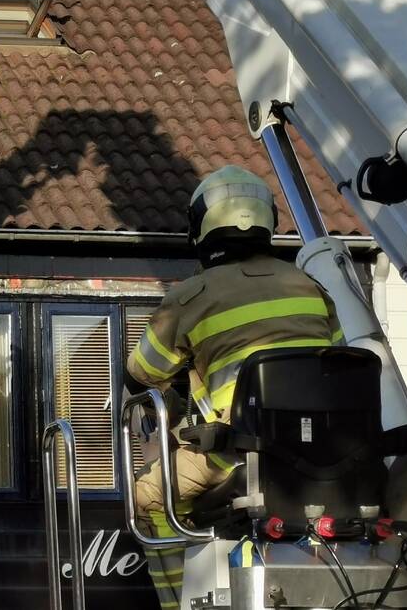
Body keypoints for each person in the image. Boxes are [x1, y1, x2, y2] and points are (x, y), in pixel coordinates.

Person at [125, 165, 343, 609]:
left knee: (149, 496)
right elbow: (338, 362)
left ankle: (177, 602)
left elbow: (141, 374)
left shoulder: (190, 297)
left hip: (239, 453)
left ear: (201, 230)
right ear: (268, 223)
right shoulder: (314, 288)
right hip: (329, 449)